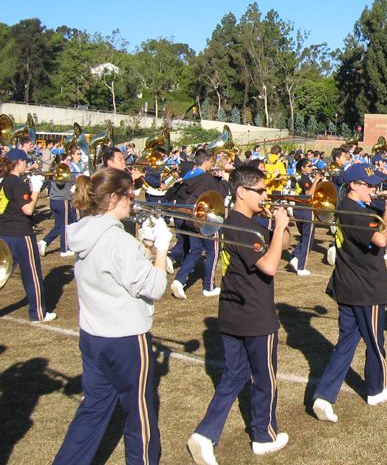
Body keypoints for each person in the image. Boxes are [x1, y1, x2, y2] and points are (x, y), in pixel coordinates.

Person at [52, 167, 171, 465]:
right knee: (139, 415)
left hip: (94, 337)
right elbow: (154, 287)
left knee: (92, 410)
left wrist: (144, 245)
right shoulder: (119, 242)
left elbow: (122, 275)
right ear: (115, 197)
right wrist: (161, 249)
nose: (133, 200)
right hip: (126, 341)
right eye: (130, 194)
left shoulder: (86, 233)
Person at [187, 166, 290, 464]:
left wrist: (280, 225)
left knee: (233, 376)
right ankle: (264, 436)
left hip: (232, 313)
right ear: (242, 192)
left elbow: (283, 245)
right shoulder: (244, 228)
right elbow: (270, 266)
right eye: (260, 190)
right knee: (265, 379)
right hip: (255, 315)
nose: (266, 195)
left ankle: (205, 435)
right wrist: (276, 229)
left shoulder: (244, 223)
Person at [311, 163, 387, 423]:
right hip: (365, 287)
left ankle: (324, 396)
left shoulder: (358, 207)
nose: (374, 189)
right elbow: (381, 240)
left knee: (346, 342)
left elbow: (384, 221)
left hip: (348, 284)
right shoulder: (353, 212)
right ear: (353, 186)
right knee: (375, 341)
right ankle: (376, 389)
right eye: (369, 185)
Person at [170, 149, 230, 299]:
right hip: (207, 218)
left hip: (192, 217)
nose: (212, 165)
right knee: (213, 251)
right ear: (205, 162)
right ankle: (209, 287)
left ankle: (179, 280)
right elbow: (220, 193)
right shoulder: (206, 179)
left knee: (195, 250)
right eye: (210, 162)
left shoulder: (188, 177)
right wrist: (225, 180)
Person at [0, 149, 52, 319]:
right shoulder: (16, 183)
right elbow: (28, 209)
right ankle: (37, 313)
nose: (27, 165)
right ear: (20, 162)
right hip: (21, 234)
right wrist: (36, 189)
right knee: (32, 275)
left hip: (5, 234)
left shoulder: (4, 182)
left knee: (2, 275)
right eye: (26, 162)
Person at [39, 153, 78, 258]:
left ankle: (44, 241)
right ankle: (64, 250)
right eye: (66, 161)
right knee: (65, 225)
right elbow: (70, 182)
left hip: (54, 200)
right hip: (62, 200)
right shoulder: (62, 171)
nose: (68, 163)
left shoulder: (54, 171)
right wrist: (71, 172)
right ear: (61, 161)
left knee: (59, 225)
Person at [288, 158, 322, 275]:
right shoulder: (304, 178)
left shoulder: (299, 177)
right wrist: (316, 181)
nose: (311, 168)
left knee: (305, 237)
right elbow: (308, 194)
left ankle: (296, 257)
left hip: (298, 209)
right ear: (302, 167)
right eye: (309, 166)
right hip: (306, 210)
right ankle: (301, 267)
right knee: (308, 239)